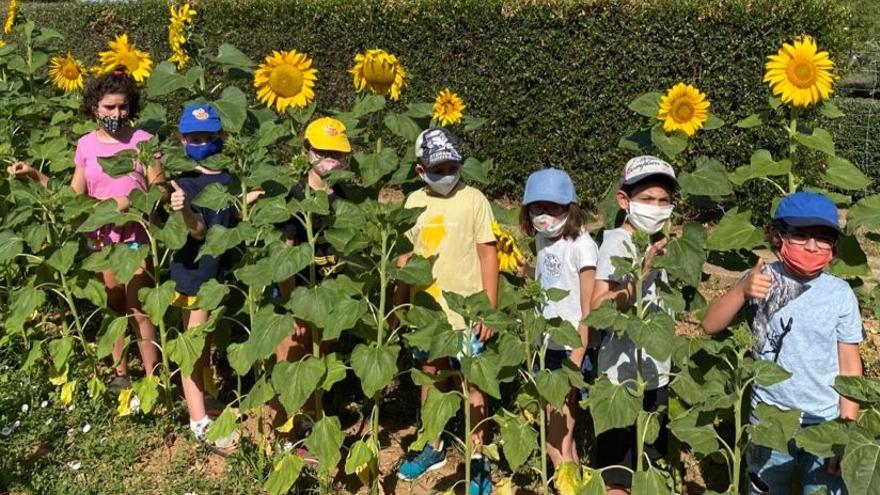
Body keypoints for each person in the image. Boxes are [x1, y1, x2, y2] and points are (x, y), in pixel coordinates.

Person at [8, 66, 163, 393]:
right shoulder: (86, 146)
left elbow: (159, 189)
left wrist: (125, 202)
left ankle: (153, 377)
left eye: (122, 107)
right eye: (109, 107)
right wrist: (35, 175)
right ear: (95, 107)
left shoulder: (143, 141)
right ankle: (121, 374)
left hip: (136, 235)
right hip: (102, 238)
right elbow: (73, 198)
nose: (116, 113)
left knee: (140, 309)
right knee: (114, 305)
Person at [701, 191, 863, 495]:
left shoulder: (840, 294)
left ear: (833, 245)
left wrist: (847, 425)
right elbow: (710, 325)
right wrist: (742, 291)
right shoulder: (763, 279)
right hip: (770, 416)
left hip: (824, 420)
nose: (812, 246)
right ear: (779, 235)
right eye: (800, 235)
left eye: (822, 237)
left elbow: (850, 363)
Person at [395, 127, 498, 495]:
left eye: (452, 165)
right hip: (427, 314)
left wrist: (489, 309)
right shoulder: (411, 203)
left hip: (468, 314)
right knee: (431, 379)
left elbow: (489, 254)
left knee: (472, 385)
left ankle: (477, 457)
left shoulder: (474, 200)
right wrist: (399, 307)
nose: (447, 174)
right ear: (421, 170)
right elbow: (404, 259)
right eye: (438, 169)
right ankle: (432, 445)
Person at [591, 155, 676, 494]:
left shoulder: (659, 242)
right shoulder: (617, 243)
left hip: (655, 372)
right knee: (618, 474)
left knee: (650, 463)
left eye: (664, 201)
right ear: (624, 200)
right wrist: (641, 270)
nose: (656, 208)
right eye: (647, 200)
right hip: (620, 379)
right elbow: (598, 307)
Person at [269, 116, 352, 459]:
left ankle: (312, 424)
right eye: (323, 152)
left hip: (328, 292)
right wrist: (292, 305)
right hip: (297, 293)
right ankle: (284, 432)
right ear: (307, 152)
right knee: (291, 359)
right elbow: (286, 258)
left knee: (321, 359)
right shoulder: (294, 197)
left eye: (337, 154)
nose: (330, 160)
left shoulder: (342, 195)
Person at [167, 103, 240, 455]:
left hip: (218, 273)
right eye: (194, 138)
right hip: (195, 275)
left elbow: (232, 215)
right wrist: (184, 211)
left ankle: (207, 398)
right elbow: (198, 232)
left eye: (207, 137)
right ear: (183, 141)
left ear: (219, 138)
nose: (201, 143)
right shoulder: (184, 183)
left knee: (205, 342)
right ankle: (198, 421)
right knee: (193, 349)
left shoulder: (228, 177)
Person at [518, 169, 597, 472]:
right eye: (537, 208)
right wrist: (519, 269)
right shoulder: (542, 239)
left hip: (569, 349)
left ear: (569, 208)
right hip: (546, 345)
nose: (544, 215)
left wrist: (576, 361)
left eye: (552, 207)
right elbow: (547, 280)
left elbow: (588, 310)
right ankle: (576, 483)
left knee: (552, 443)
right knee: (565, 442)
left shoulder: (583, 247)